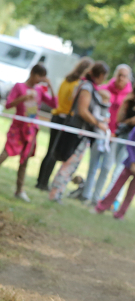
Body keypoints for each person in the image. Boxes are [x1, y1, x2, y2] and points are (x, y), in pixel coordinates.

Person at [48, 61, 110, 202]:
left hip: (80, 132)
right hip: (77, 131)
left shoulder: (88, 86)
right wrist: (98, 123)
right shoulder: (87, 87)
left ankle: (57, 192)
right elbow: (82, 110)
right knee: (69, 162)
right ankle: (55, 193)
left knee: (70, 163)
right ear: (101, 75)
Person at [96, 73, 135, 205]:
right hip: (122, 135)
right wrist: (126, 100)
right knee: (107, 166)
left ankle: (111, 201)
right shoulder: (131, 99)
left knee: (120, 170)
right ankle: (98, 196)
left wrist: (127, 121)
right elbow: (119, 118)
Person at [0, 64, 57, 202]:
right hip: (17, 128)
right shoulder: (19, 86)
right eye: (39, 76)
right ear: (33, 73)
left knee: (25, 160)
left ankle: (19, 190)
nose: (40, 80)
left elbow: (54, 104)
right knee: (6, 153)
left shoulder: (39, 90)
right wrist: (23, 98)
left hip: (31, 129)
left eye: (42, 77)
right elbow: (8, 105)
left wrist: (50, 87)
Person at [94, 107, 135, 220]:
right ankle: (101, 207)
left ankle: (120, 214)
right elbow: (129, 146)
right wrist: (132, 163)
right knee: (116, 187)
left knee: (131, 193)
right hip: (129, 165)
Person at [35, 56, 92, 191]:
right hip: (63, 118)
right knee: (54, 152)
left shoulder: (67, 79)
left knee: (50, 150)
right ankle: (42, 183)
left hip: (57, 116)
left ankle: (41, 181)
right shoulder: (78, 84)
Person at [78, 64, 132, 202]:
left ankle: (97, 198)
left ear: (128, 78)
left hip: (115, 136)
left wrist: (116, 132)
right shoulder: (103, 89)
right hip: (99, 133)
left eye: (124, 76)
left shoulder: (130, 96)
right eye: (119, 74)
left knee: (107, 167)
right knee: (93, 165)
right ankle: (86, 195)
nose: (121, 78)